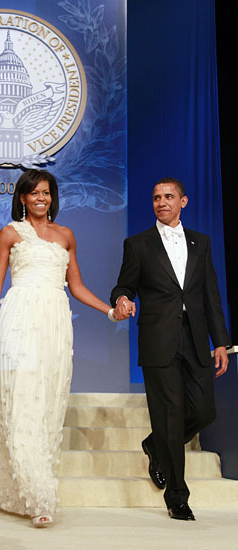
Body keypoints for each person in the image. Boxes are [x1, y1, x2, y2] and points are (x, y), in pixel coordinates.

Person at [0, 169, 116, 527]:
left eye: (47, 192)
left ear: (53, 197)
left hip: (54, 323)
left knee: (45, 404)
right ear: (21, 197)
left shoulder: (66, 236)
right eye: (34, 192)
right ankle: (38, 495)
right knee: (19, 398)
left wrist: (110, 310)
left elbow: (77, 286)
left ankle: (35, 480)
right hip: (18, 319)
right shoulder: (9, 233)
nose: (41, 198)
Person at [110, 177, 230, 521]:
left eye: (168, 197)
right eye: (156, 198)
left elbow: (210, 295)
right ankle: (178, 498)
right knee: (171, 416)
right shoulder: (138, 244)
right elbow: (124, 283)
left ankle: (155, 444)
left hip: (195, 340)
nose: (161, 202)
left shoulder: (201, 243)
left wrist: (220, 341)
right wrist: (121, 299)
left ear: (183, 201)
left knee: (205, 412)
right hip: (158, 340)